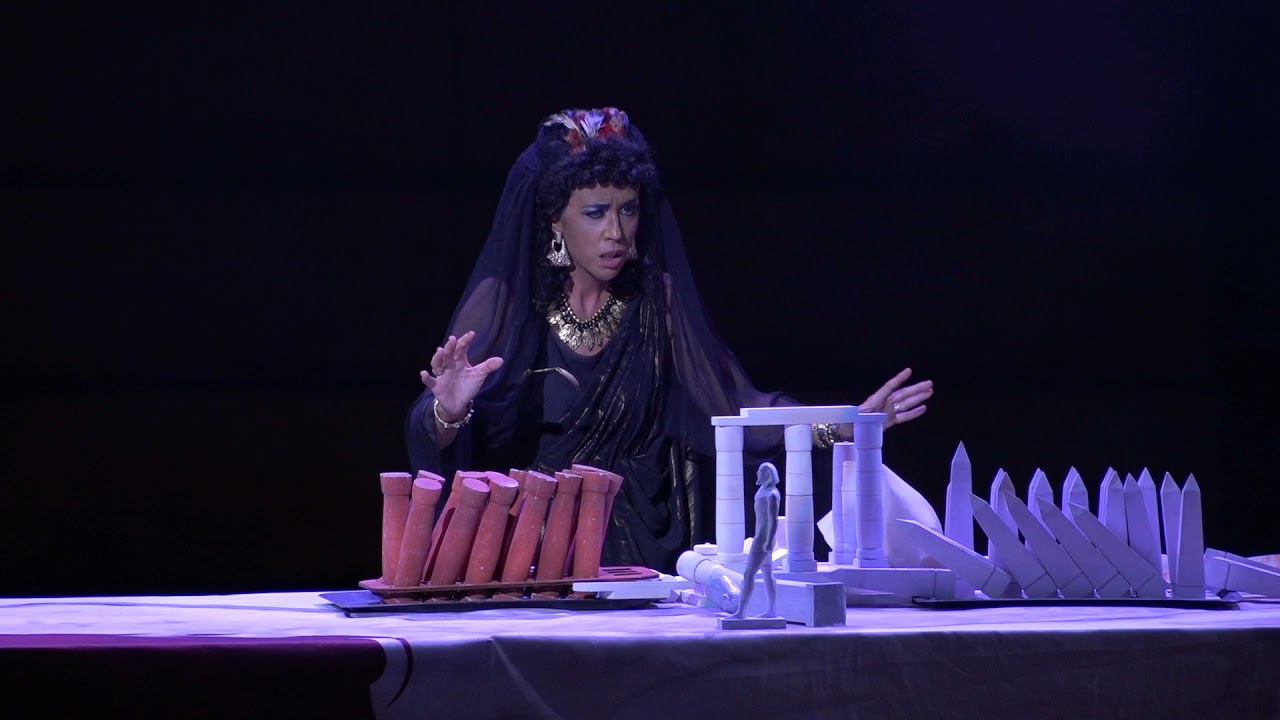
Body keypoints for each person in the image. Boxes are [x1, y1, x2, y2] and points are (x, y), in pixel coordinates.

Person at [406, 107, 934, 573]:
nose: (616, 232)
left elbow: (733, 408)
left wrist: (845, 424)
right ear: (555, 220)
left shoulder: (655, 303)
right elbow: (431, 436)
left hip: (642, 559)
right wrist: (446, 412)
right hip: (535, 554)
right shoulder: (506, 304)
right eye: (595, 213)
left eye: (628, 209)